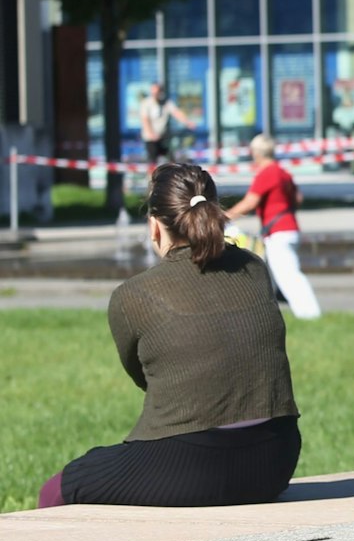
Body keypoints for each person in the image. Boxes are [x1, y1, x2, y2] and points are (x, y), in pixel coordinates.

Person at [38, 163, 301, 509]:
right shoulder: (254, 268)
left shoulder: (134, 294)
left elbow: (145, 376)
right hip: (274, 459)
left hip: (186, 462)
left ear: (154, 227)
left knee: (58, 489)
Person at [224, 134, 322, 320]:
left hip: (278, 232)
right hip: (290, 228)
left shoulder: (267, 173)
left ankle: (309, 314)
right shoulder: (283, 173)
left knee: (289, 275)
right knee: (281, 275)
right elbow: (297, 199)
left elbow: (250, 201)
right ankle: (291, 313)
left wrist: (224, 217)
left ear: (257, 153)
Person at [139, 83, 191, 165]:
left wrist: (188, 122)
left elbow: (176, 112)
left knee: (171, 160)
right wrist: (151, 134)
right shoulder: (146, 103)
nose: (155, 94)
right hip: (151, 139)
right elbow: (145, 120)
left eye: (157, 92)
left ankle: (172, 177)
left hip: (163, 137)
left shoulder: (166, 102)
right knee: (152, 162)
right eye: (153, 92)